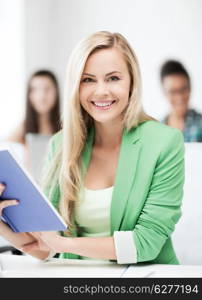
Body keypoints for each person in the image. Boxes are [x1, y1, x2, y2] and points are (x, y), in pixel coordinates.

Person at [0, 32, 184, 264]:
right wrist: (3, 224)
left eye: (113, 78)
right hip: (80, 282)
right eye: (88, 80)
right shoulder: (61, 144)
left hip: (144, 281)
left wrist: (64, 244)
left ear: (132, 82)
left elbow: (146, 243)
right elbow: (44, 247)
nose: (101, 91)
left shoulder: (164, 142)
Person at [160, 60, 202, 142]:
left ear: (190, 88)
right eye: (173, 91)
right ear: (164, 93)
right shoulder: (158, 128)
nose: (179, 97)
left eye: (183, 89)